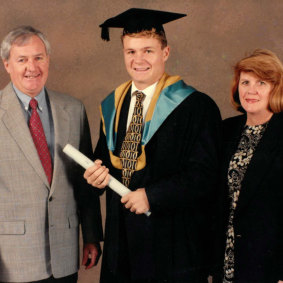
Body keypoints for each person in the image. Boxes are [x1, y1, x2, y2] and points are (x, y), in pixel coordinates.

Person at [84, 8, 222, 283]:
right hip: (121, 248)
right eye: (131, 52)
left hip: (171, 247)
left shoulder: (196, 106)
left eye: (148, 50)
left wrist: (153, 195)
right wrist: (95, 177)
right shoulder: (114, 105)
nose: (139, 60)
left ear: (165, 52)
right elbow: (104, 162)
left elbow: (205, 176)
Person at [0, 26, 103, 282]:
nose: (31, 67)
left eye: (38, 57)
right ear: (6, 65)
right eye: (21, 59)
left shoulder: (73, 109)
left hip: (64, 254)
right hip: (13, 259)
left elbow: (84, 182)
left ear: (48, 60)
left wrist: (91, 236)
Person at [219, 49, 283, 283]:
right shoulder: (225, 131)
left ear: (275, 89)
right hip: (227, 255)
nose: (251, 90)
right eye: (245, 82)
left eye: (261, 83)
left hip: (268, 263)